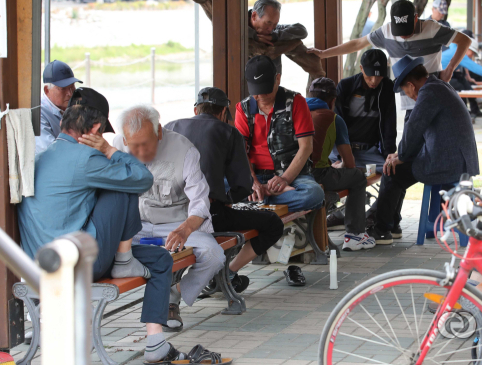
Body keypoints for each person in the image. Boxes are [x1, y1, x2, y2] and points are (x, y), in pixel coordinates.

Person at [18, 88, 194, 364]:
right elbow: (140, 178)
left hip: (38, 265)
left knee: (160, 259)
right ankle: (124, 259)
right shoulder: (87, 158)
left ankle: (156, 343)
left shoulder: (40, 158)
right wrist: (110, 150)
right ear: (96, 128)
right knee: (124, 180)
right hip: (79, 265)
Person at [113, 105, 226, 332]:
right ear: (124, 140)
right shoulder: (116, 147)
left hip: (177, 224)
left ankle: (173, 295)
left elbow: (200, 202)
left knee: (215, 255)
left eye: (147, 144)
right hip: (136, 226)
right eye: (134, 146)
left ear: (159, 132)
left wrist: (185, 230)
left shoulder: (184, 150)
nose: (142, 152)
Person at [165, 87, 284, 292]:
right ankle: (228, 272)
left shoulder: (170, 127)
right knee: (272, 223)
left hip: (167, 215)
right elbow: (243, 185)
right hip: (207, 215)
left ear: (195, 110)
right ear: (222, 113)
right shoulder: (228, 132)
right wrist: (227, 198)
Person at [369, 55, 479, 242]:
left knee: (391, 171)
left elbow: (414, 128)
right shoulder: (440, 86)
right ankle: (392, 224)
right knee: (397, 168)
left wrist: (401, 156)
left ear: (411, 85)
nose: (409, 96)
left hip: (447, 163)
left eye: (405, 91)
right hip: (458, 159)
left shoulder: (429, 92)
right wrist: (400, 154)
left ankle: (382, 230)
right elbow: (419, 134)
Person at [308, 0, 472, 120]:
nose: (403, 35)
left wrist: (449, 69)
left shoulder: (432, 28)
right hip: (410, 101)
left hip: (435, 96)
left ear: (416, 18)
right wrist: (323, 54)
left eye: (407, 30)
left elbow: (465, 40)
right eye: (399, 30)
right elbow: (357, 43)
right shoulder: (386, 32)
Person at [235, 55, 325, 212]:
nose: (261, 96)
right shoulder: (243, 108)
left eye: (266, 90)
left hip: (292, 176)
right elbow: (240, 151)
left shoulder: (296, 101)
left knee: (313, 194)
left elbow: (306, 147)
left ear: (278, 78)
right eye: (256, 92)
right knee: (216, 190)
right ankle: (266, 198)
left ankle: (261, 202)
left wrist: (285, 179)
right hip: (255, 175)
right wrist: (253, 182)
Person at [331, 49, 402, 238]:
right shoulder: (345, 86)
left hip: (370, 151)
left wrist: (389, 153)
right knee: (336, 174)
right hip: (343, 149)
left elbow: (389, 123)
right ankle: (338, 215)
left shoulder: (386, 86)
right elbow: (336, 125)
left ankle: (379, 218)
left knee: (396, 170)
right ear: (361, 68)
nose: (374, 81)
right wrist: (341, 156)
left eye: (379, 77)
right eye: (370, 76)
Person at [306, 78, 376, 251]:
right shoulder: (334, 119)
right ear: (333, 101)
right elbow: (350, 163)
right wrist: (339, 165)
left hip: (293, 175)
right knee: (358, 177)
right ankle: (355, 235)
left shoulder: (295, 112)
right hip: (317, 175)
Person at [248, 0, 324, 81]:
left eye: (275, 24)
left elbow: (302, 31)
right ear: (254, 16)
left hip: (273, 85)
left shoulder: (274, 30)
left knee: (292, 40)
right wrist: (255, 36)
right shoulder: (237, 30)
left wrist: (275, 36)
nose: (271, 29)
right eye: (268, 23)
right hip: (245, 87)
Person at [36, 60, 83, 155]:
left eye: (72, 87)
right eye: (63, 88)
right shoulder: (38, 113)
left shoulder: (76, 106)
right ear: (47, 90)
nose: (70, 93)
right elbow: (50, 151)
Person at [447, 38, 482, 120]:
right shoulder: (459, 52)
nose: (472, 55)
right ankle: (464, 113)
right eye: (472, 52)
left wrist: (468, 77)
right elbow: (475, 68)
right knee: (460, 88)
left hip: (450, 74)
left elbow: (465, 67)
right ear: (467, 48)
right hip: (440, 76)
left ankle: (475, 110)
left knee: (467, 86)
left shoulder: (458, 50)